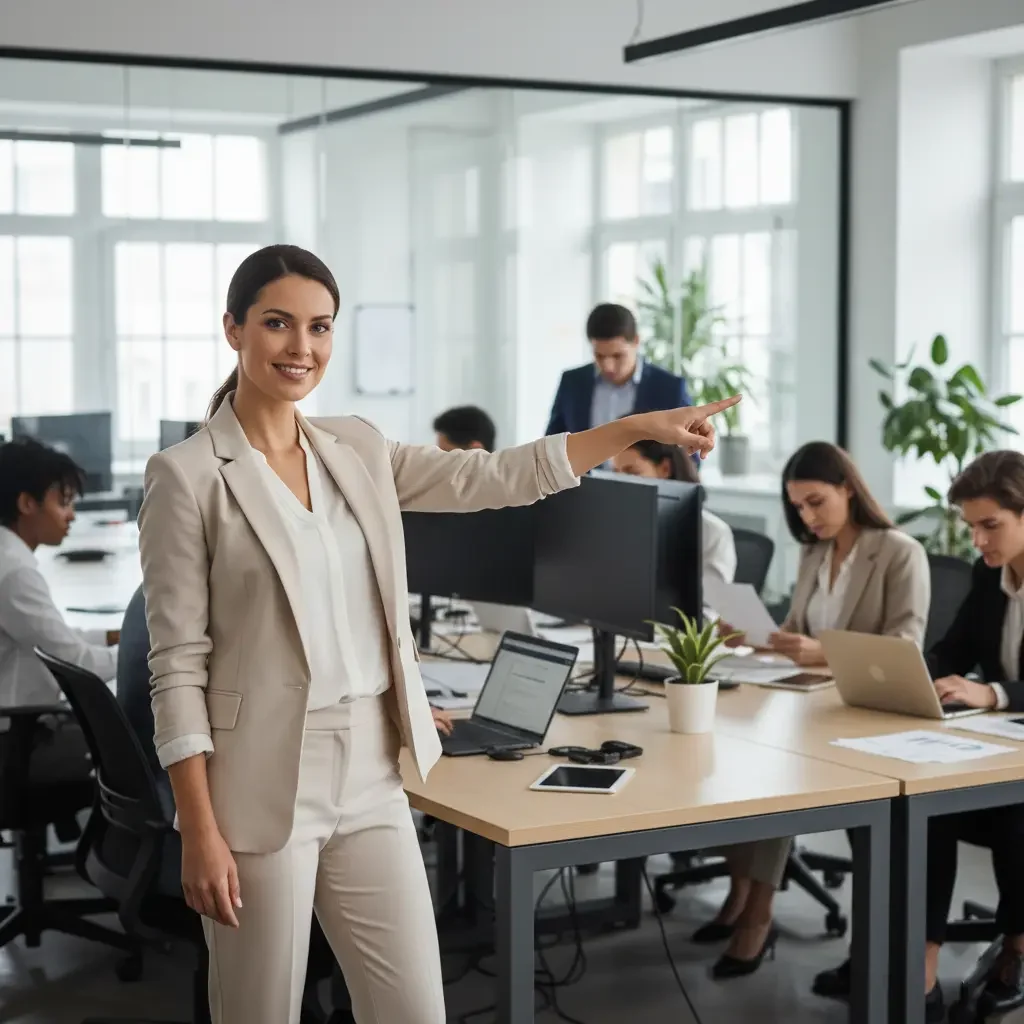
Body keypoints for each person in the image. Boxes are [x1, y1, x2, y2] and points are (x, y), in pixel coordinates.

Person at [137, 243, 739, 1024]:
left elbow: (494, 478)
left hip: (373, 772)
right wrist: (199, 829)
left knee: (415, 1010)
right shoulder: (187, 474)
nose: (301, 347)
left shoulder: (352, 446)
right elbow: (177, 666)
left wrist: (627, 432)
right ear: (233, 329)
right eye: (278, 324)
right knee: (260, 1011)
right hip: (261, 781)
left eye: (320, 327)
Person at [702, 440, 929, 980]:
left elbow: (906, 646)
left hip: (871, 713)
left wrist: (822, 651)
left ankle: (757, 913)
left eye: (816, 502)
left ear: (849, 489)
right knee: (740, 760)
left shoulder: (899, 552)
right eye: (798, 506)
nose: (807, 516)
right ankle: (745, 899)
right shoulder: (813, 552)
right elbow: (797, 630)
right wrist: (754, 638)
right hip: (809, 703)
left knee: (776, 774)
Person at [915, 450, 1024, 1020]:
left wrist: (996, 694)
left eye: (991, 525)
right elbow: (953, 649)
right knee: (926, 805)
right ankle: (922, 962)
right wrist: (918, 676)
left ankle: (1016, 949)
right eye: (971, 526)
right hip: (1003, 749)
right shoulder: (991, 575)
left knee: (1015, 814)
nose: (978, 541)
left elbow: (998, 686)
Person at [0, 437, 118, 786]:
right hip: (15, 743)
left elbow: (56, 639)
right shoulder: (15, 572)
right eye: (63, 502)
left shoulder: (9, 559)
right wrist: (147, 652)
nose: (71, 515)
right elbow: (78, 665)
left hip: (18, 726)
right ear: (27, 503)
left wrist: (116, 636)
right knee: (136, 753)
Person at [545, 303, 691, 436]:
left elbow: (689, 457)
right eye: (599, 356)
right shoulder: (572, 382)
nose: (608, 366)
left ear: (636, 341)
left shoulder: (670, 388)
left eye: (617, 356)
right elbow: (551, 447)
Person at [611, 438, 736, 588]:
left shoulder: (712, 532)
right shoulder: (618, 525)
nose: (620, 482)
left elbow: (709, 605)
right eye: (616, 473)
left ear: (664, 469)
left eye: (632, 473)